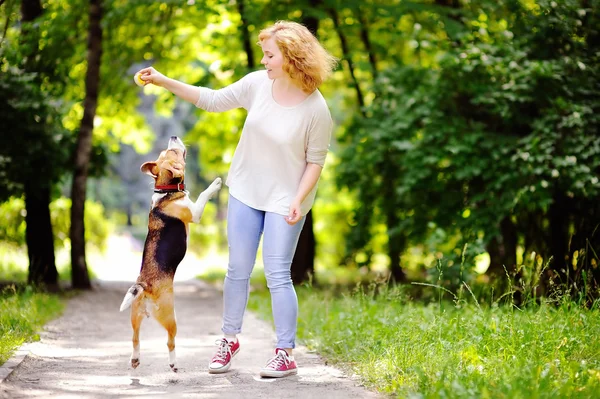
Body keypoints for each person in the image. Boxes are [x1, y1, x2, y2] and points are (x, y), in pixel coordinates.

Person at [135, 20, 336, 378]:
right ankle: (228, 340)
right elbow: (211, 100)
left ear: (291, 57)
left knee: (277, 274)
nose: (264, 61)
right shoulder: (258, 85)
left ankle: (285, 352)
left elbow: (315, 162)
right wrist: (163, 80)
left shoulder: (315, 108)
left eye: (270, 55)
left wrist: (298, 199)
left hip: (286, 199)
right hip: (245, 189)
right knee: (236, 270)